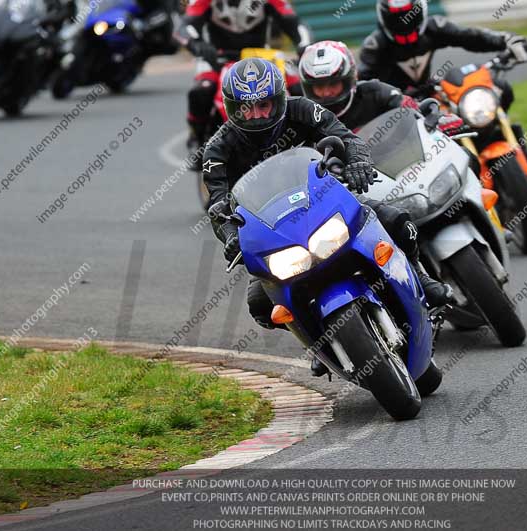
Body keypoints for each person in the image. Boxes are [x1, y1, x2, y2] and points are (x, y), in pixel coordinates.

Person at [203, 58, 452, 376]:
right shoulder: (217, 149)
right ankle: (315, 341)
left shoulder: (304, 109)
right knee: (260, 304)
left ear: (279, 99)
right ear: (232, 108)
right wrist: (229, 236)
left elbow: (345, 137)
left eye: (265, 105)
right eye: (246, 108)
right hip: (273, 231)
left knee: (395, 219)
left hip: (328, 201)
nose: (258, 115)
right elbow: (218, 204)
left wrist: (358, 161)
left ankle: (422, 279)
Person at [298, 40, 479, 175]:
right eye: (319, 87)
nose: (327, 93)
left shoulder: (375, 92)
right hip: (358, 189)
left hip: (409, 168)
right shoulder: (305, 118)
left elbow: (413, 108)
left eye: (333, 84)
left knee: (465, 156)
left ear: (349, 78)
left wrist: (439, 120)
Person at [181, 0, 312, 165]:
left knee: (298, 87)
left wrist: (304, 45)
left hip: (262, 58)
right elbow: (184, 27)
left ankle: (310, 137)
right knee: (201, 91)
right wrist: (196, 44)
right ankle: (197, 139)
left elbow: (295, 24)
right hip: (217, 58)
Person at [358, 0, 527, 110]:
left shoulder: (435, 27)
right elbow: (360, 84)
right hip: (396, 106)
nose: (404, 24)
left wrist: (506, 40)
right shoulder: (375, 45)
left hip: (432, 90)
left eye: (409, 16)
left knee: (500, 88)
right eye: (397, 18)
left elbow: (470, 37)